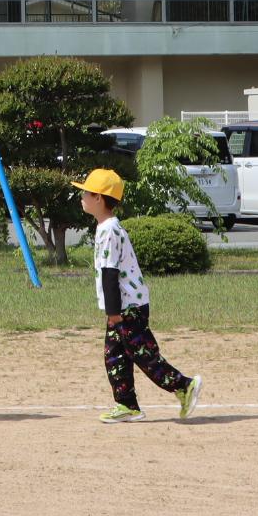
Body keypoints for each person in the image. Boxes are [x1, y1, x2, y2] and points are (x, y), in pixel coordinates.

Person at [76, 168, 202, 424]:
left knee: (143, 354)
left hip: (127, 307)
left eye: (85, 193)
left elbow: (110, 273)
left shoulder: (110, 230)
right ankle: (127, 405)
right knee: (115, 355)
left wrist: (113, 312)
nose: (82, 197)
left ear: (99, 198)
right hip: (123, 307)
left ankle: (184, 385)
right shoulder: (104, 228)